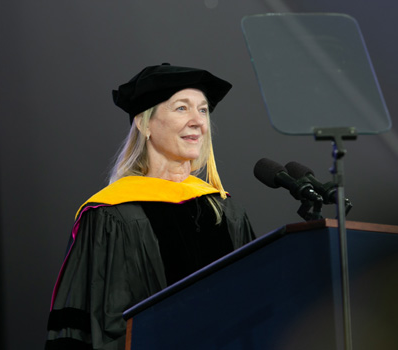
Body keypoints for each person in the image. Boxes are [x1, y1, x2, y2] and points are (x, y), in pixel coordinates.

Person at [45, 63, 255, 350]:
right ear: (144, 123)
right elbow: (95, 326)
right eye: (182, 108)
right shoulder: (112, 215)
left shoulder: (226, 213)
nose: (198, 121)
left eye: (203, 110)